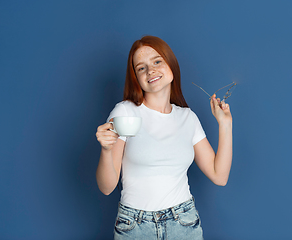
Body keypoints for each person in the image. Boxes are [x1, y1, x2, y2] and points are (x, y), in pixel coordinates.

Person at [96, 36, 233, 239]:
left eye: (157, 61)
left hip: (184, 223)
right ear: (136, 77)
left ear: (171, 64)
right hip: (135, 226)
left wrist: (225, 124)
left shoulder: (188, 118)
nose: (150, 70)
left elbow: (219, 176)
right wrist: (106, 150)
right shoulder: (125, 113)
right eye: (141, 68)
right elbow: (107, 187)